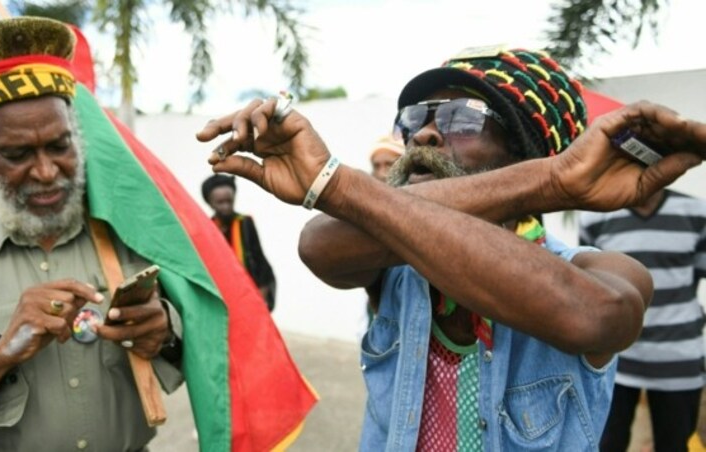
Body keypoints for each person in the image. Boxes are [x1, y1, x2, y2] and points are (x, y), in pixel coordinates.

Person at [196, 46, 706, 450]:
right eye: (415, 118)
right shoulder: (389, 263)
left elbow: (593, 317)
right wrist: (550, 180)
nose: (425, 134)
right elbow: (320, 244)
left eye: (462, 118)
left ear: (526, 149)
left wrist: (548, 179)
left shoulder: (600, 270)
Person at [0, 17, 184, 450]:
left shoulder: (133, 230)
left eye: (59, 146)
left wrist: (165, 333)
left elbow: (214, 350)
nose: (46, 171)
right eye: (17, 154)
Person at [579, 188, 706, 452]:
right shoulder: (596, 217)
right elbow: (589, 285)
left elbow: (696, 274)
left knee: (674, 446)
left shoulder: (697, 213)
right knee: (606, 444)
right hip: (614, 364)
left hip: (678, 360)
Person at [201, 173, 277, 310]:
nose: (226, 206)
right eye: (220, 202)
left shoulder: (245, 222)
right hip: (222, 290)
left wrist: (262, 293)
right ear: (209, 203)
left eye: (229, 201)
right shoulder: (208, 228)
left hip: (248, 289)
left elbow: (258, 257)